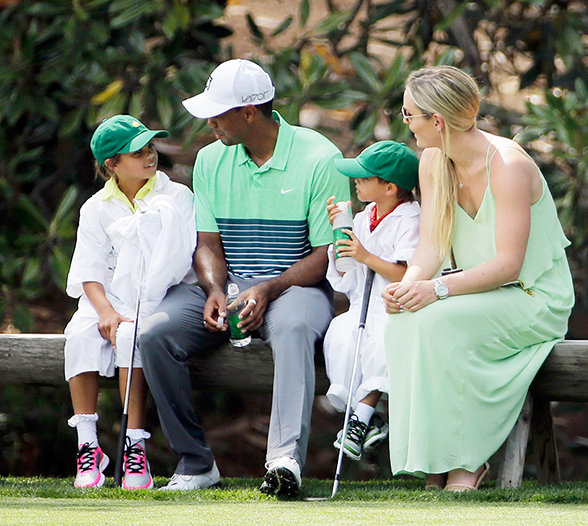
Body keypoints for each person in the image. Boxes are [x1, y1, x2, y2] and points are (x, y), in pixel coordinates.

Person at [138, 59, 349, 495]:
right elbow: (208, 244)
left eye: (218, 113)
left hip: (295, 286)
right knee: (155, 333)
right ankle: (196, 464)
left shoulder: (319, 157)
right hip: (226, 286)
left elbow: (325, 253)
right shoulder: (211, 159)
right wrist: (215, 288)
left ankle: (283, 461)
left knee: (292, 328)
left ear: (250, 112)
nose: (210, 122)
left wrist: (268, 288)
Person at [382, 66, 574, 491]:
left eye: (408, 113)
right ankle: (435, 462)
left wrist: (437, 289)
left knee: (439, 321)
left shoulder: (506, 164)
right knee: (404, 320)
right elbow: (432, 243)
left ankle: (466, 462)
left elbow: (509, 265)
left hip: (532, 296)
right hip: (474, 294)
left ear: (436, 121)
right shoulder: (432, 161)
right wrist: (409, 285)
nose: (405, 122)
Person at [64, 115, 197, 489]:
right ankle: (88, 446)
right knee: (79, 335)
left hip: (159, 297)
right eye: (137, 153)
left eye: (150, 149)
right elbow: (88, 270)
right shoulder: (95, 207)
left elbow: (177, 262)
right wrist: (105, 311)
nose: (149, 157)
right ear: (112, 165)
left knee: (129, 338)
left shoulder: (177, 197)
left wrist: (129, 312)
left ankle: (133, 446)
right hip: (104, 300)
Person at [323, 141, 420, 461]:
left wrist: (365, 255)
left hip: (394, 307)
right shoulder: (363, 217)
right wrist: (340, 234)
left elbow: (405, 274)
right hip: (360, 307)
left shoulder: (410, 219)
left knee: (379, 342)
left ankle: (360, 420)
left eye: (365, 178)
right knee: (341, 335)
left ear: (390, 187)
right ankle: (367, 418)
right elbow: (346, 274)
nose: (357, 182)